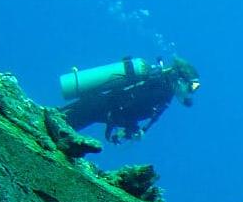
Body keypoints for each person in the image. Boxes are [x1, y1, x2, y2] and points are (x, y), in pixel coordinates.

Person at [59, 56, 200, 143]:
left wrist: (130, 129)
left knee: (61, 122)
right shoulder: (162, 88)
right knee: (60, 127)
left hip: (99, 105)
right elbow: (133, 105)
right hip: (99, 107)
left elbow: (132, 106)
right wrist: (132, 128)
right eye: (192, 87)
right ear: (181, 80)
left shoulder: (164, 90)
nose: (190, 93)